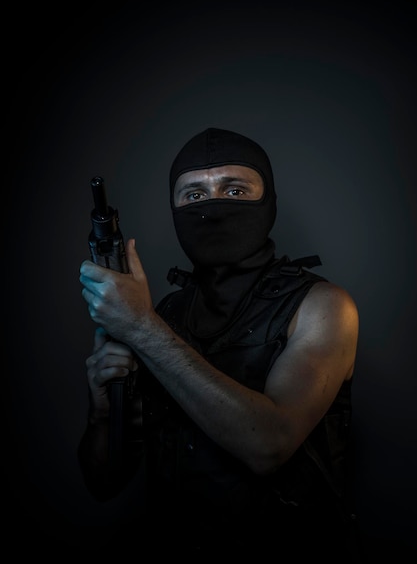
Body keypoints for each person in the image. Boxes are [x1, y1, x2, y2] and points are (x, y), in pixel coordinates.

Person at [78, 127, 360, 559]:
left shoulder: (323, 307)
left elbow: (269, 445)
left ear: (268, 202)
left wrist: (140, 328)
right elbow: (105, 483)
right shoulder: (166, 314)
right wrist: (102, 413)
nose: (213, 206)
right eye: (194, 195)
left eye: (234, 189)